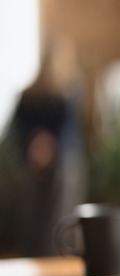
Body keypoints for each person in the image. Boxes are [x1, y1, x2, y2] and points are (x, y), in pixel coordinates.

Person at [0, 37, 86, 257]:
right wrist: (36, 146)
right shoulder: (28, 97)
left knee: (63, 177)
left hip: (61, 163)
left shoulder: (68, 96)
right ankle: (34, 253)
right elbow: (19, 134)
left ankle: (55, 251)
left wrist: (48, 148)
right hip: (33, 162)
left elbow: (70, 136)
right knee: (31, 190)